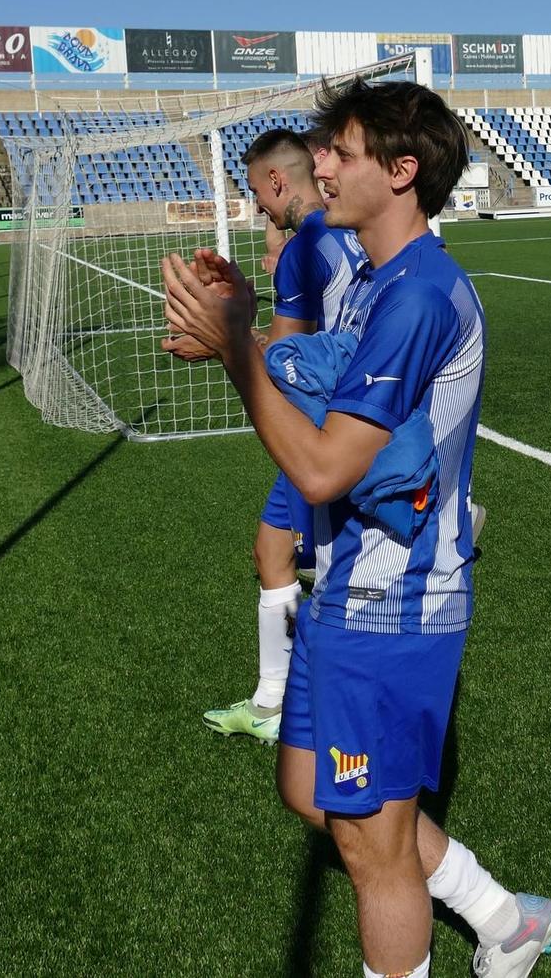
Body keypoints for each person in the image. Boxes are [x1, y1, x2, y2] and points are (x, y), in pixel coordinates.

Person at [162, 80, 551, 978]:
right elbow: (327, 377)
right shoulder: (380, 279)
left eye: (341, 152)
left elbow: (324, 468)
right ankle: (504, 916)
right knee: (310, 788)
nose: (321, 168)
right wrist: (248, 338)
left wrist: (234, 350)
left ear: (403, 170)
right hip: (347, 588)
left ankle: (504, 925)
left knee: (372, 853)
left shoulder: (419, 295)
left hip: (397, 603)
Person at [193, 129, 366, 745]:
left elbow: (285, 358)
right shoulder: (356, 232)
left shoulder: (305, 245)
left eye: (257, 194)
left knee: (292, 556)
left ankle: (289, 704)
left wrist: (224, 343)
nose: (258, 208)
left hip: (324, 426)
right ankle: (280, 698)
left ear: (275, 181)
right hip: (361, 412)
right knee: (280, 551)